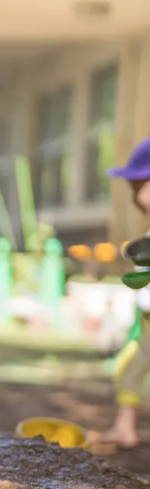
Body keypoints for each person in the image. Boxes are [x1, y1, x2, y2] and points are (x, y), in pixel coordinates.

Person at [99, 137, 150, 449]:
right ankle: (124, 428)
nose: (136, 198)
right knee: (128, 369)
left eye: (140, 187)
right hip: (146, 322)